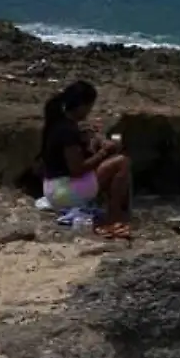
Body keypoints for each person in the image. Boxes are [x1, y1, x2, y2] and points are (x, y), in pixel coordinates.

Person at [39, 80, 132, 239]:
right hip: (65, 193)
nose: (89, 111)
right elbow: (77, 169)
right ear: (82, 105)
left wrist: (91, 141)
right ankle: (114, 216)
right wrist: (104, 152)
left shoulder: (58, 124)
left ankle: (114, 212)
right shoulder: (67, 131)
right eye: (89, 106)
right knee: (122, 162)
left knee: (111, 165)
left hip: (53, 188)